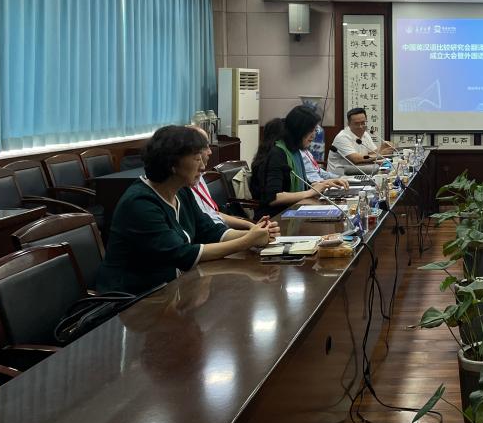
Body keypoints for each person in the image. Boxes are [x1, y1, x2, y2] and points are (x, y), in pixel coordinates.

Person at [97, 125, 278, 294]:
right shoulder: (140, 203)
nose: (203, 166)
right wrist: (247, 240)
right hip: (132, 298)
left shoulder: (182, 191)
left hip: (171, 288)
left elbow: (209, 231)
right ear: (172, 164)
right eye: (197, 159)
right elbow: (183, 255)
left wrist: (256, 234)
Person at [253, 106, 347, 219]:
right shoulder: (277, 154)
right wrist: (310, 192)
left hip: (295, 211)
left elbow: (303, 184)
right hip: (276, 218)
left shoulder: (295, 151)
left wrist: (325, 183)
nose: (314, 135)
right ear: (298, 130)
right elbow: (273, 198)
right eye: (310, 131)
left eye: (315, 130)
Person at [188, 127, 256, 229]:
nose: (210, 152)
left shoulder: (199, 177)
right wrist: (249, 234)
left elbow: (214, 213)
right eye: (206, 147)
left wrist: (252, 226)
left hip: (219, 230)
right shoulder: (184, 186)